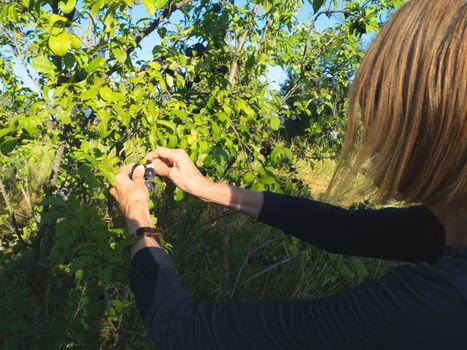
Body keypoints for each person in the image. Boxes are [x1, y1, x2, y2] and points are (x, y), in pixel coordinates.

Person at [110, 0, 466, 349]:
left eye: (380, 108)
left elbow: (183, 332)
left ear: (433, 124)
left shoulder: (437, 307)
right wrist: (207, 188)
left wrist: (137, 215)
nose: (367, 132)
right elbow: (347, 231)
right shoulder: (448, 227)